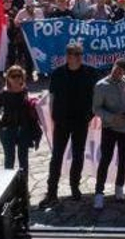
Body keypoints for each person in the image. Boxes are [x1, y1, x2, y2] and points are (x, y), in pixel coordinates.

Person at [42, 40, 98, 207]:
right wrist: (53, 116)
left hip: (81, 120)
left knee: (78, 155)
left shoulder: (90, 72)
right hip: (62, 121)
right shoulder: (58, 73)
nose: (79, 57)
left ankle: (75, 187)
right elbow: (52, 96)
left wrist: (91, 114)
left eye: (80, 54)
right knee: (57, 157)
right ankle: (52, 191)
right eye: (75, 55)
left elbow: (97, 94)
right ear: (68, 57)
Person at [91, 58, 125, 209]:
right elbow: (96, 108)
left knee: (123, 160)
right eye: (116, 68)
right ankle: (99, 193)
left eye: (122, 70)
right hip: (110, 128)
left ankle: (119, 187)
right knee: (105, 160)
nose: (118, 72)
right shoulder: (101, 86)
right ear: (113, 67)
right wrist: (112, 117)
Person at [0, 64, 42, 171]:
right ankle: (9, 185)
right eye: (13, 76)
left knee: (24, 160)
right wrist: (2, 125)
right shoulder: (3, 94)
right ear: (8, 78)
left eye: (19, 76)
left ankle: (24, 185)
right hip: (8, 131)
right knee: (9, 160)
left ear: (22, 77)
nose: (16, 78)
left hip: (23, 129)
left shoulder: (24, 91)